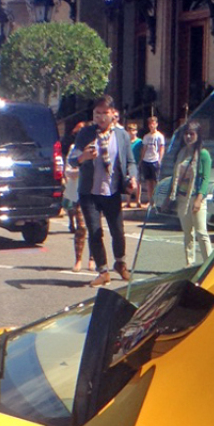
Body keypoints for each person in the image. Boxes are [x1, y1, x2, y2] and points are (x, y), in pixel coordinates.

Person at [70, 96, 137, 287]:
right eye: (97, 113)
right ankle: (103, 271)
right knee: (95, 231)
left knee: (118, 231)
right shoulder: (85, 133)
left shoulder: (122, 135)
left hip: (112, 190)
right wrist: (83, 156)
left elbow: (130, 161)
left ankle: (120, 264)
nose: (100, 117)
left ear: (113, 113)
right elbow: (73, 158)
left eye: (104, 113)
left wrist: (132, 177)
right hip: (89, 192)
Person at [169, 121, 212, 266]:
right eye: (186, 134)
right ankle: (189, 263)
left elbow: (206, 179)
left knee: (201, 232)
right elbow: (175, 176)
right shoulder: (181, 153)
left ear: (198, 135)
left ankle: (209, 263)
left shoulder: (203, 154)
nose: (188, 137)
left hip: (196, 197)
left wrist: (199, 199)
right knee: (188, 233)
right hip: (182, 197)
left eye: (191, 134)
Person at [63, 120, 89, 273]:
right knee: (82, 226)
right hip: (78, 193)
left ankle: (93, 258)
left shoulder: (96, 148)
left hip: (95, 192)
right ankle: (78, 259)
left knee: (95, 228)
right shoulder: (74, 149)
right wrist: (81, 172)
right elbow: (68, 171)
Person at [138, 114, 166, 206]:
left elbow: (161, 148)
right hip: (147, 160)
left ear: (156, 124)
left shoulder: (159, 136)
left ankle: (157, 200)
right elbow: (144, 148)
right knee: (148, 182)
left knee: (155, 181)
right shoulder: (146, 136)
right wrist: (141, 159)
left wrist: (159, 159)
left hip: (155, 160)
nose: (151, 126)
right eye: (150, 124)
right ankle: (150, 201)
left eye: (153, 124)